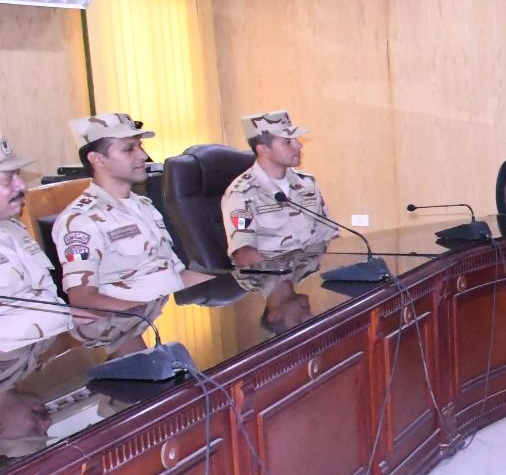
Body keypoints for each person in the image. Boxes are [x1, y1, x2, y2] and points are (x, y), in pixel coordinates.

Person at [51, 114, 209, 340]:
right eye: (128, 149)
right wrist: (143, 315)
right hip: (129, 330)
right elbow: (83, 299)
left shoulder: (143, 206)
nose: (142, 155)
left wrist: (230, 284)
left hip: (168, 315)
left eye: (140, 146)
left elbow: (174, 274)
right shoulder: (80, 220)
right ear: (97, 159)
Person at [221, 111, 337, 267]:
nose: (299, 145)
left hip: (313, 271)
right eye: (288, 142)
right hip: (273, 277)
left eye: (296, 139)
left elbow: (328, 234)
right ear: (263, 150)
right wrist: (283, 275)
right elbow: (243, 254)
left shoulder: (307, 183)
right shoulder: (241, 193)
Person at [0, 134, 75, 350]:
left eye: (18, 175)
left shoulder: (12, 229)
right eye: (8, 179)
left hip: (57, 349)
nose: (22, 185)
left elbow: (46, 298)